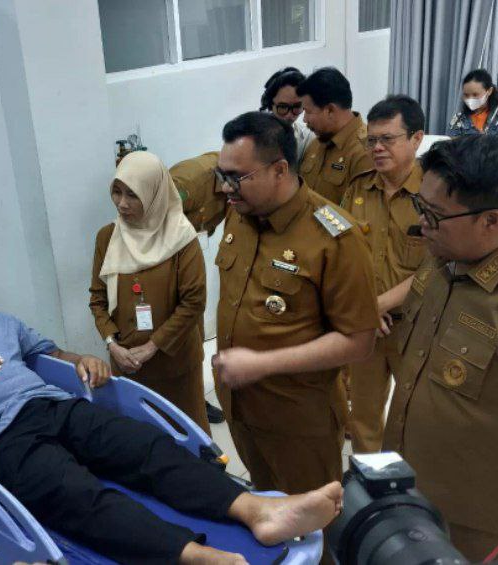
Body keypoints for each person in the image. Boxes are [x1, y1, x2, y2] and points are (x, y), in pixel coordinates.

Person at [0, 257, 344, 565]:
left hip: (55, 406)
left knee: (148, 447)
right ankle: (198, 556)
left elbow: (49, 355)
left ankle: (257, 511)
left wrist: (81, 360)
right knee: (77, 495)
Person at [382, 134, 498, 564]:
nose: (422, 222)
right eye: (420, 205)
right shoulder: (444, 257)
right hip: (406, 485)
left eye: (435, 214)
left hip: (476, 523)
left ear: (491, 221)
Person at [203, 111, 379, 501]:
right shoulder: (240, 215)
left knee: (312, 524)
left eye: (237, 177)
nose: (225, 188)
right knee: (267, 508)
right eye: (222, 174)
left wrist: (262, 364)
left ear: (280, 169)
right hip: (241, 408)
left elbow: (358, 341)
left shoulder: (335, 237)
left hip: (298, 421)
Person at [90, 151, 210, 433]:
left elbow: (193, 302)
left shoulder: (181, 238)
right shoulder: (107, 237)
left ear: (154, 194)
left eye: (133, 195)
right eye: (117, 192)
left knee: (186, 433)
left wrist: (152, 346)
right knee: (142, 436)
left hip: (174, 364)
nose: (122, 203)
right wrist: (112, 344)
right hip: (127, 364)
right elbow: (97, 297)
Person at [340, 95, 427, 453]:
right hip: (366, 326)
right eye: (371, 140)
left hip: (418, 328)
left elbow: (439, 267)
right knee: (363, 417)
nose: (377, 148)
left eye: (387, 139)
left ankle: (408, 484)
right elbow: (341, 255)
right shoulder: (358, 188)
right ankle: (369, 481)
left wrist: (377, 305)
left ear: (416, 138)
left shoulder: (435, 193)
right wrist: (365, 309)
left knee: (416, 417)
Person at [169, 151, 229, 425]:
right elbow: (149, 219)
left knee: (195, 331)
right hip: (162, 262)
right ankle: (174, 402)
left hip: (188, 253)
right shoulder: (189, 181)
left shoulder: (241, 179)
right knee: (174, 333)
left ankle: (193, 399)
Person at [297, 67, 374, 205]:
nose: (304, 119)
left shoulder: (365, 152)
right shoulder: (316, 144)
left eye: (308, 111)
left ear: (330, 110)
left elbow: (359, 213)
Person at [447, 68, 498, 149]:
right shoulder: (459, 120)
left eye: (475, 95)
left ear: (489, 91)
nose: (470, 99)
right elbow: (451, 148)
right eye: (466, 95)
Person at [259, 67, 316, 166]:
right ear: (270, 104)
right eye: (283, 107)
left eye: (297, 107)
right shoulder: (252, 138)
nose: (289, 115)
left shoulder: (308, 138)